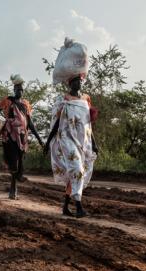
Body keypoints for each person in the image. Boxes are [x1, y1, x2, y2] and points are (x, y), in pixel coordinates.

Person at [0, 74, 44, 199]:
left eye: (22, 89)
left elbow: (30, 123)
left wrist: (39, 139)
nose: (20, 91)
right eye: (18, 89)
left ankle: (15, 184)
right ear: (14, 90)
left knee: (19, 162)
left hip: (22, 137)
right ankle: (14, 187)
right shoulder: (7, 101)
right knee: (14, 162)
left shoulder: (25, 104)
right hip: (9, 136)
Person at [44, 74, 99, 218]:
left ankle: (65, 207)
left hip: (83, 140)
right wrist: (48, 141)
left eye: (79, 81)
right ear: (70, 84)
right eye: (75, 81)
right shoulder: (63, 100)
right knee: (77, 169)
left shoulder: (86, 100)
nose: (78, 83)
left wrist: (94, 143)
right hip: (67, 139)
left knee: (73, 175)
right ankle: (79, 207)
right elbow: (57, 122)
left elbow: (88, 125)